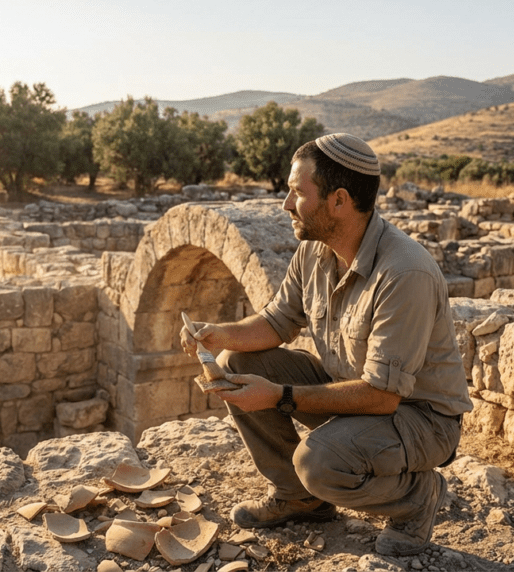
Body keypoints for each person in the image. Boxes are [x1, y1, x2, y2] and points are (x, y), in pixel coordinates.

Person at [179, 133, 472, 557]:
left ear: (338, 200)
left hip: (419, 419)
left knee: (316, 462)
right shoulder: (315, 252)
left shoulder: (405, 272)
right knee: (236, 359)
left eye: (297, 193)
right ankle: (300, 498)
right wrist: (219, 334)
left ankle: (416, 497)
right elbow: (275, 323)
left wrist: (279, 397)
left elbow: (384, 395)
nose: (285, 205)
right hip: (355, 396)